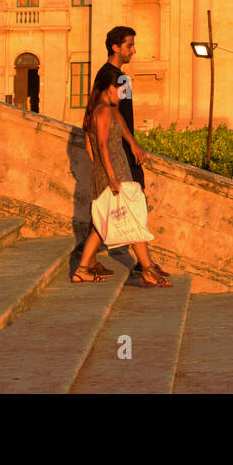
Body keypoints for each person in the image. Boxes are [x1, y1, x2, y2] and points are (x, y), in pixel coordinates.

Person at [72, 63, 171, 287]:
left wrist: (129, 147)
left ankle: (83, 269)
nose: (122, 94)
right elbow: (103, 146)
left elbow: (91, 149)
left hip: (109, 170)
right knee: (131, 217)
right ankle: (147, 268)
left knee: (103, 222)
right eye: (120, 89)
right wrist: (112, 176)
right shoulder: (104, 111)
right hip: (114, 172)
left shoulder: (98, 110)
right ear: (109, 87)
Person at [97, 25, 171, 281]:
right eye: (130, 45)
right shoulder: (110, 76)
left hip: (124, 147)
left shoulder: (121, 77)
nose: (134, 50)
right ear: (116, 47)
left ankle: (143, 263)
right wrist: (132, 142)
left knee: (131, 204)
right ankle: (144, 264)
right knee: (130, 204)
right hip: (121, 149)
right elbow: (111, 111)